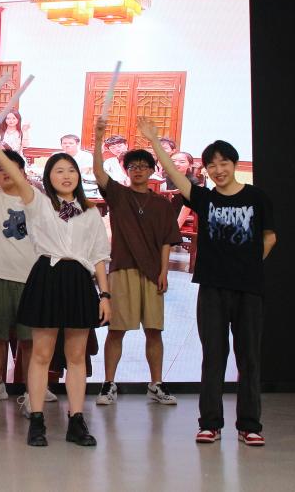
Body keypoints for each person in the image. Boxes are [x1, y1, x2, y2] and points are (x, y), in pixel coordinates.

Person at [138, 118, 276, 447]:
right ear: (206, 170)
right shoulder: (205, 198)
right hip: (212, 288)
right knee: (213, 355)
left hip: (249, 289)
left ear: (234, 164)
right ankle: (210, 423)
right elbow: (175, 175)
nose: (218, 170)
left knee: (249, 358)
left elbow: (270, 237)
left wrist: (249, 265)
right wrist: (155, 143)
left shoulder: (257, 197)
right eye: (212, 165)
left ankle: (250, 425)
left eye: (224, 163)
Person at [0, 135, 111, 447]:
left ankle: (76, 421)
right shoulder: (37, 202)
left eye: (71, 170)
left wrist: (105, 295)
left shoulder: (90, 212)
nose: (66, 176)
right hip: (47, 276)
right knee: (40, 353)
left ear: (78, 176)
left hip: (79, 280)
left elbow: (99, 257)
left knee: (76, 356)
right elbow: (16, 176)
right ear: (48, 178)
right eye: (58, 171)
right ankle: (36, 420)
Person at [0, 119, 56, 419]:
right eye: (0, 169)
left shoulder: (36, 200)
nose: (5, 173)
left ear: (23, 173)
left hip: (31, 280)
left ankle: (31, 394)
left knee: (29, 342)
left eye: (11, 169)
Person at [92, 117, 182, 408]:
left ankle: (156, 384)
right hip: (123, 269)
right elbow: (97, 172)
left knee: (154, 330)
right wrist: (98, 139)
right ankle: (109, 383)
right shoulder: (118, 195)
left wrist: (164, 271)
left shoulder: (162, 204)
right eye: (133, 166)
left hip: (153, 272)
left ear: (152, 170)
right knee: (116, 329)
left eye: (144, 166)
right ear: (126, 170)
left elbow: (167, 240)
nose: (139, 170)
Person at [60, 134, 98, 198]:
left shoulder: (86, 156)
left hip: (81, 184)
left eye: (71, 143)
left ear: (77, 144)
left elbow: (86, 172)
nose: (67, 145)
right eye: (64, 143)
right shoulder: (56, 155)